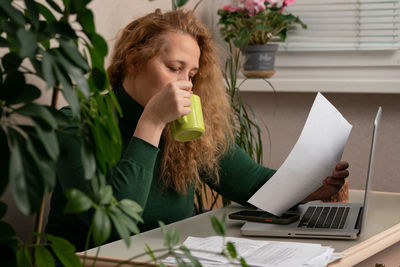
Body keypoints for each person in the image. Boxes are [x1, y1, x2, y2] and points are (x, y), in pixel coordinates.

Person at [46, 9, 349, 251]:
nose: (186, 84)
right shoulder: (77, 122)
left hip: (163, 257)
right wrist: (151, 122)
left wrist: (313, 187)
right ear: (134, 63)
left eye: (191, 74)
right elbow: (115, 226)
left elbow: (252, 183)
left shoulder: (187, 126)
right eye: (173, 68)